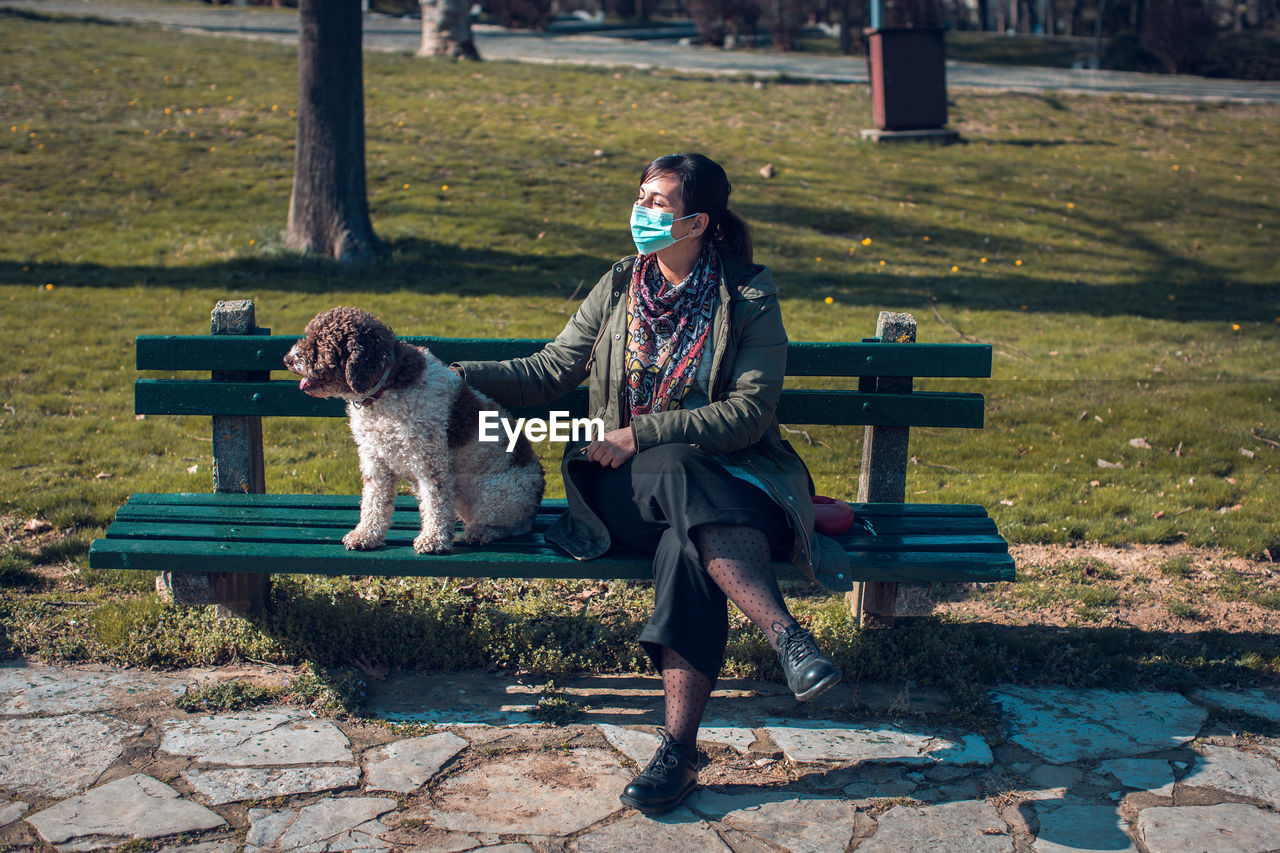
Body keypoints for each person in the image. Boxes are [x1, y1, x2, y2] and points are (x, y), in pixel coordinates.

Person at [451, 152, 846, 816]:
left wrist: (642, 432)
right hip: (617, 491)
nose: (643, 212)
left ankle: (677, 752)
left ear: (699, 221)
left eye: (659, 203)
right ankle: (787, 636)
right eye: (641, 197)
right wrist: (450, 371)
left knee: (686, 534)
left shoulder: (748, 295)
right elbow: (552, 370)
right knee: (671, 466)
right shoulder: (617, 286)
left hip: (736, 487)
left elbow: (751, 411)